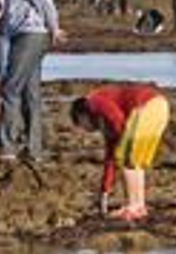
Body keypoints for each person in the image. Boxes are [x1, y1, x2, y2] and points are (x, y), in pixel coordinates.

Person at [0, 0, 64, 162]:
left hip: (31, 34)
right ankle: (33, 149)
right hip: (23, 33)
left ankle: (8, 145)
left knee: (11, 88)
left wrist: (54, 26)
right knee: (29, 92)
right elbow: (15, 4)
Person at [70, 84, 170, 222]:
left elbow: (117, 119)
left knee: (125, 158)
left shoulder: (93, 100)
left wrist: (120, 144)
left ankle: (132, 206)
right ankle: (139, 206)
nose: (86, 129)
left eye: (81, 124)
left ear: (82, 115)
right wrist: (104, 191)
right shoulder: (104, 122)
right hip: (160, 106)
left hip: (145, 106)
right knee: (136, 162)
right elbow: (110, 158)